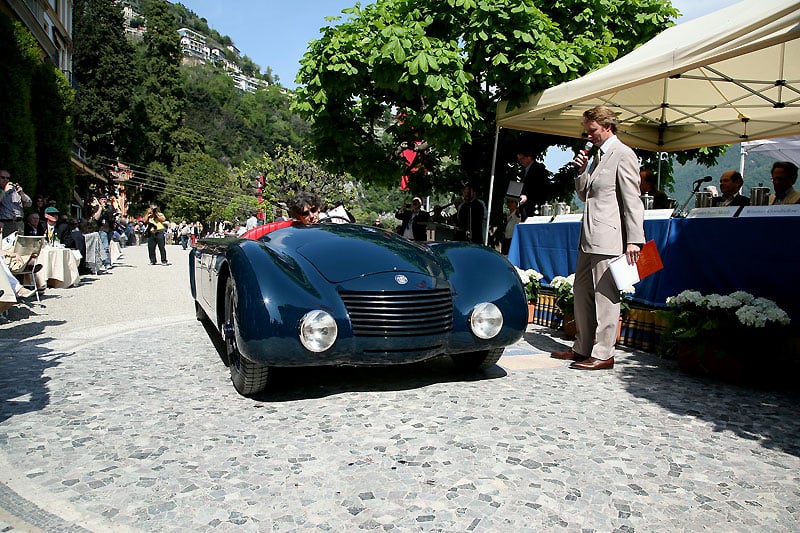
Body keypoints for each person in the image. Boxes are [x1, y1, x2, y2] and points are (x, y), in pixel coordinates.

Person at [551, 105, 645, 371]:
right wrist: (580, 172)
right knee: (581, 290)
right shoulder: (596, 156)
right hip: (588, 236)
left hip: (609, 237)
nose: (588, 135)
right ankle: (582, 347)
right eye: (586, 130)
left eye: (591, 130)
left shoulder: (623, 154)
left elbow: (632, 201)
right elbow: (584, 195)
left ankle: (604, 353)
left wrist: (634, 239)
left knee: (606, 296)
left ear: (607, 126)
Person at [242, 191, 322, 240]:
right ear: (298, 217)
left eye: (313, 210)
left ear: (318, 209)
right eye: (305, 214)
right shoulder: (294, 234)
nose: (311, 216)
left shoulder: (327, 228)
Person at [515, 146, 549, 220]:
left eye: (522, 158)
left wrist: (527, 197)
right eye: (519, 159)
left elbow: (541, 190)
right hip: (524, 209)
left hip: (535, 209)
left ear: (529, 157)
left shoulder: (539, 170)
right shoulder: (523, 172)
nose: (520, 161)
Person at [0, 170, 32, 238]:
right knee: (6, 247)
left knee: (19, 246)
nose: (6, 180)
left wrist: (21, 194)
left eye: (8, 178)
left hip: (19, 223)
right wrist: (5, 191)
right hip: (5, 223)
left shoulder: (14, 191)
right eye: (3, 177)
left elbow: (29, 204)